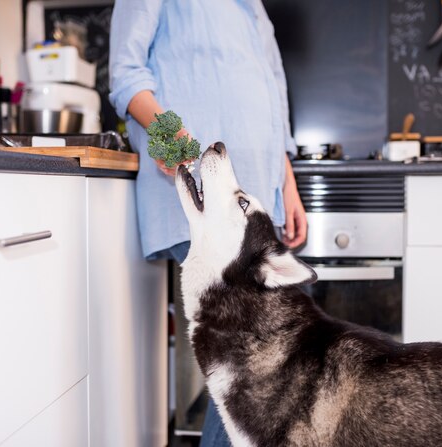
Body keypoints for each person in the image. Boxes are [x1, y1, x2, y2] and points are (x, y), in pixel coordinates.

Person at [109, 0, 307, 445]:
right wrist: (166, 132)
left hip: (256, 201)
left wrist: (285, 187)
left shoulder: (253, 7)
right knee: (248, 371)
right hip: (202, 194)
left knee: (267, 367)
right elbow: (125, 73)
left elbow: (274, 97)